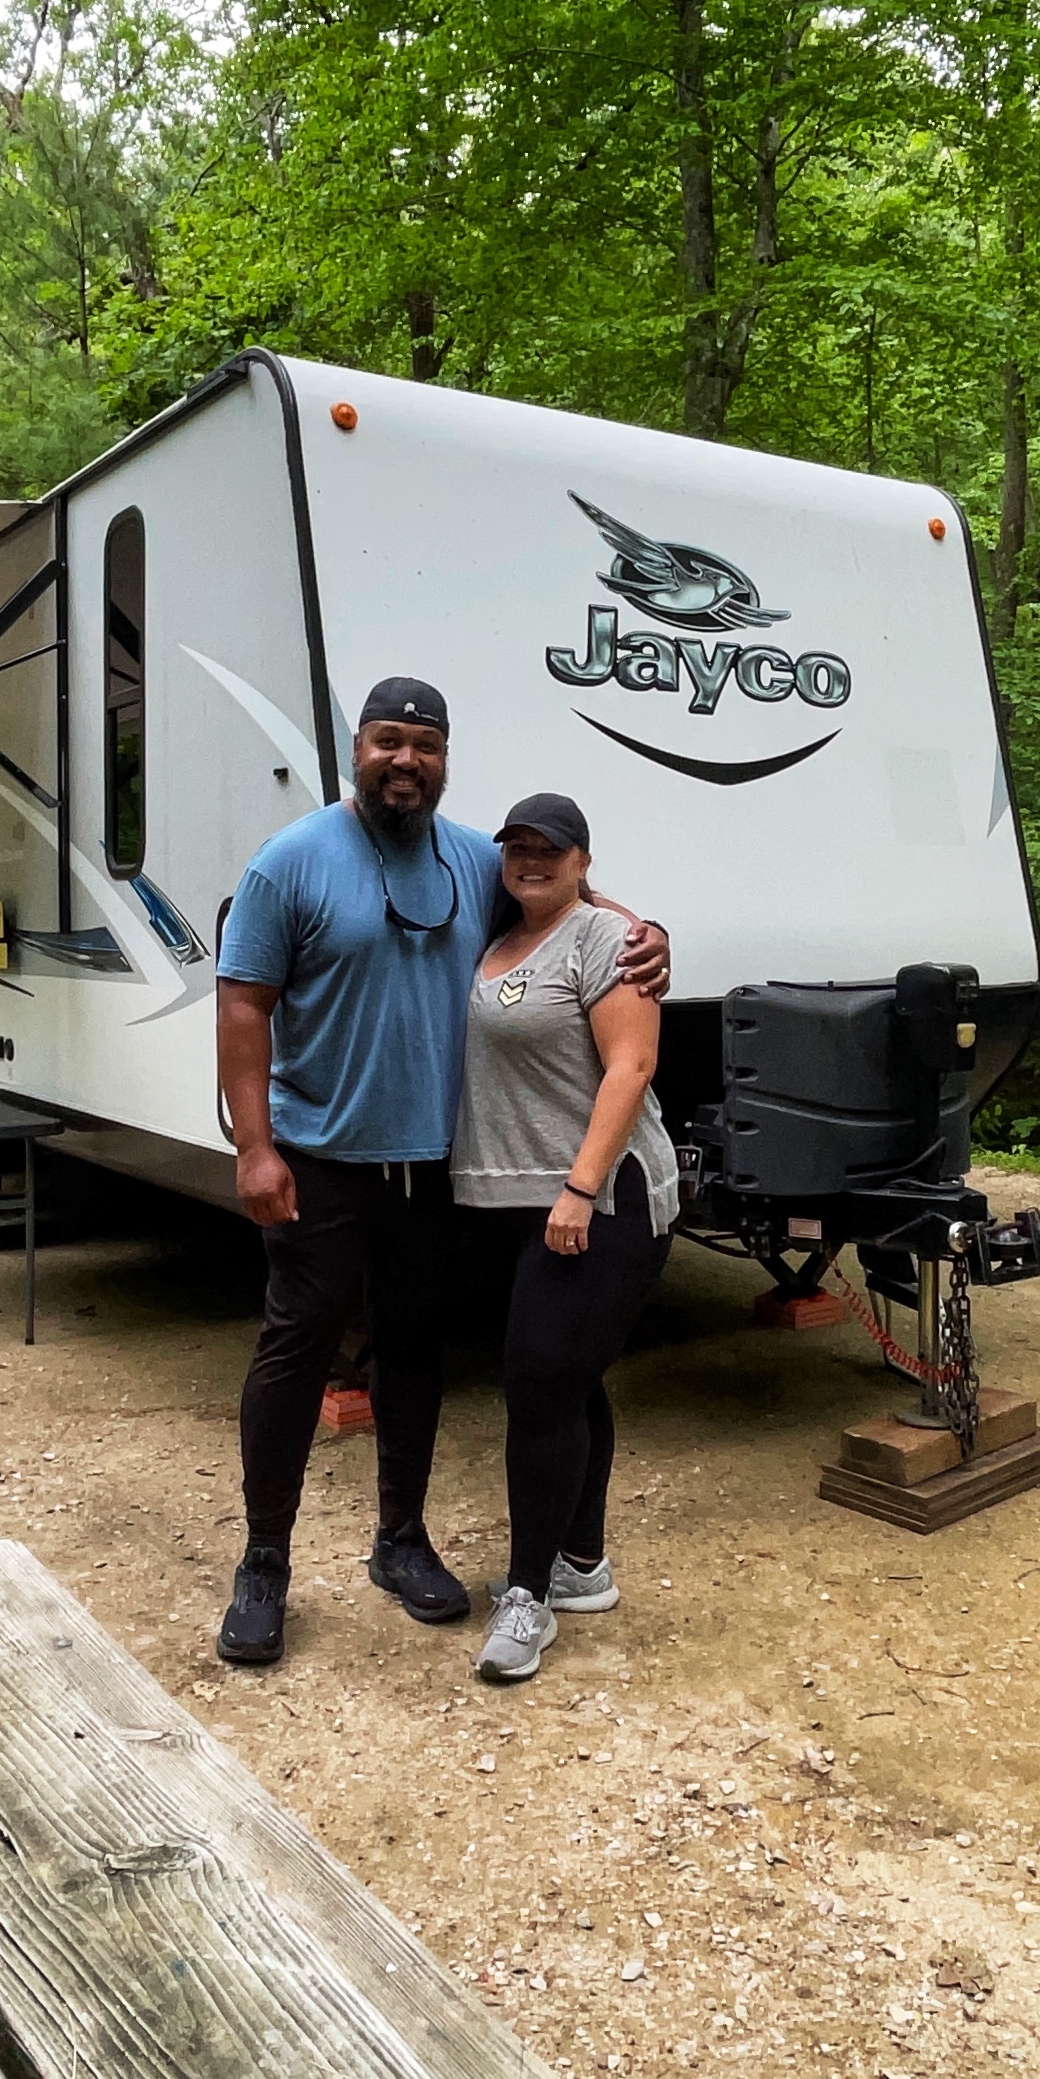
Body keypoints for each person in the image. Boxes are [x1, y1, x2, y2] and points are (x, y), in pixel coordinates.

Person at [213, 679, 665, 1668]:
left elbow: (570, 901)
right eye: (388, 741)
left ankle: (400, 1538)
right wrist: (254, 1144)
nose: (404, 759)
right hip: (319, 1156)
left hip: (431, 1165)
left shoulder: (473, 855)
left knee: (413, 1349)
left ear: (445, 756)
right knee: (297, 1347)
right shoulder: (290, 862)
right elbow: (244, 1004)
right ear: (358, 749)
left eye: (424, 743)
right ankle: (264, 1563)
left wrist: (645, 931)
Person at [450, 789, 679, 1686]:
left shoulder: (605, 941)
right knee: (565, 1374)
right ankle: (582, 1562)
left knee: (538, 1385)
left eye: (551, 848)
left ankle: (527, 1594)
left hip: (600, 1195)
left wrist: (580, 1187)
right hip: (511, 1196)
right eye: (517, 847)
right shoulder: (495, 940)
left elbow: (634, 1064)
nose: (530, 859)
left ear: (584, 861)